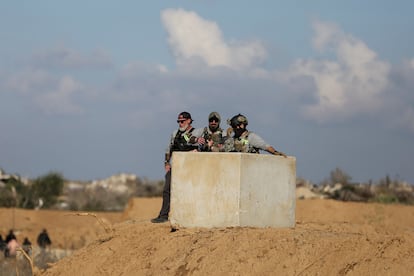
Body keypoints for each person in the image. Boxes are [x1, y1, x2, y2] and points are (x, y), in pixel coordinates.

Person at [151, 111, 203, 223]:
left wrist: (196, 149)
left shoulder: (197, 132)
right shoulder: (175, 133)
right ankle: (163, 215)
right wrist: (166, 162)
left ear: (189, 121)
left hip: (191, 168)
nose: (180, 124)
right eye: (178, 121)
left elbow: (201, 145)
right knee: (167, 189)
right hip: (176, 166)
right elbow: (169, 148)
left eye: (182, 121)